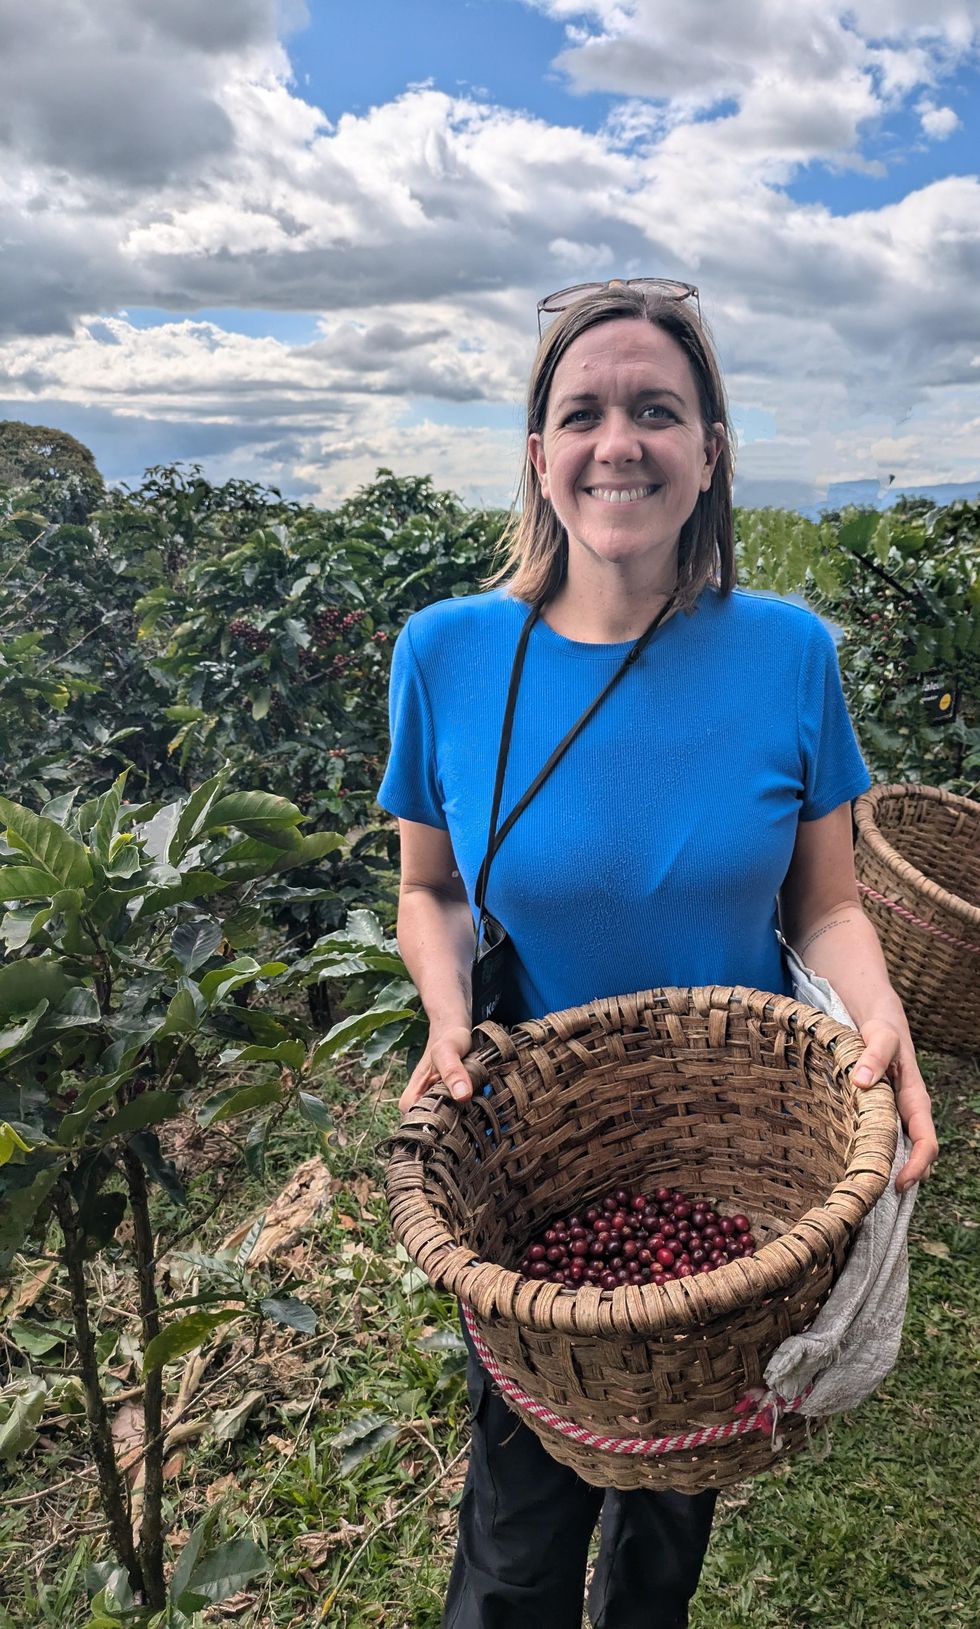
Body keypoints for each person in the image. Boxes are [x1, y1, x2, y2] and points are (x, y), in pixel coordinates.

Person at [377, 278, 938, 1629]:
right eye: (583, 412)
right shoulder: (450, 654)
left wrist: (883, 1023)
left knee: (663, 1535)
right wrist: (448, 1010)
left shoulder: (790, 654)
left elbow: (828, 908)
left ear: (710, 451)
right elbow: (431, 890)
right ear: (538, 452)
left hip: (730, 1178)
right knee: (513, 1551)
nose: (617, 441)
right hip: (538, 1163)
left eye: (656, 411)